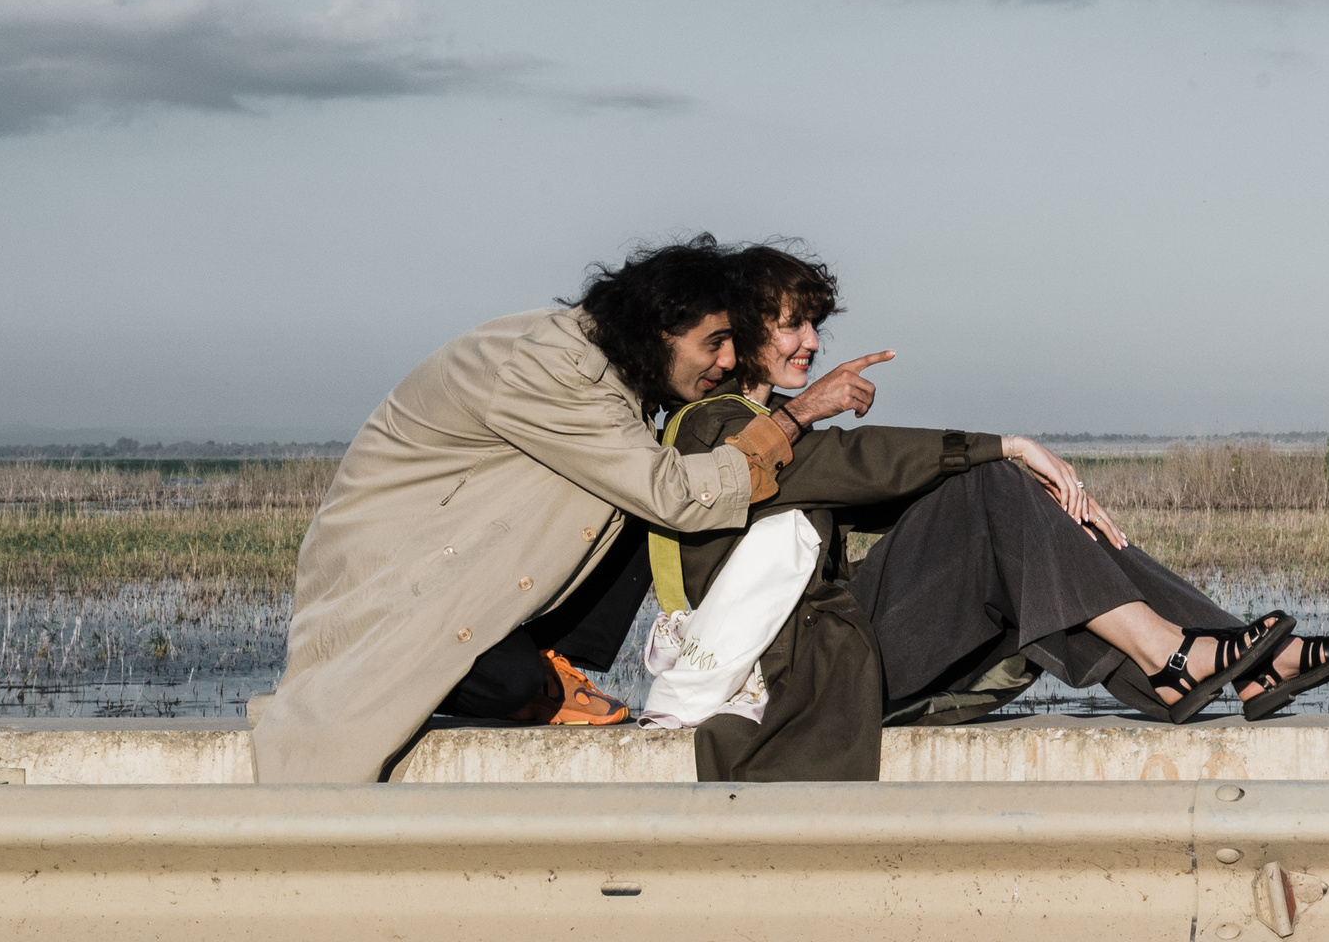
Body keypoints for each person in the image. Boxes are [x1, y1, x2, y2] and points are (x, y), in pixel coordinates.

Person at [648, 244, 1329, 781]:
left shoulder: (773, 422)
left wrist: (1038, 498)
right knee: (991, 480)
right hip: (805, 679)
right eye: (791, 324)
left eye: (814, 325)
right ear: (742, 334)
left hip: (839, 652)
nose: (812, 341)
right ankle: (1184, 656)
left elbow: (880, 484)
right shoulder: (713, 429)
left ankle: (1225, 660)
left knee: (1016, 499)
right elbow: (855, 465)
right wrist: (1008, 446)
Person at [251, 235, 877, 783]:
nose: (726, 360)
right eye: (715, 342)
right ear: (658, 329)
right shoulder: (552, 370)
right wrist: (795, 416)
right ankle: (548, 676)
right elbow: (677, 495)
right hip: (399, 591)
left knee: (660, 471)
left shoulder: (611, 369)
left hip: (460, 569)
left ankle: (558, 665)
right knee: (514, 681)